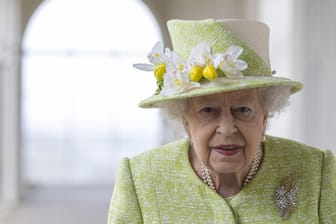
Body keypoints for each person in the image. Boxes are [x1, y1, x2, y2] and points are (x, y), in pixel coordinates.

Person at [107, 19, 336, 223]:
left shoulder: (316, 170)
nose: (227, 129)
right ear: (185, 121)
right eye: (208, 110)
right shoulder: (141, 178)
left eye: (243, 109)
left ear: (265, 116)